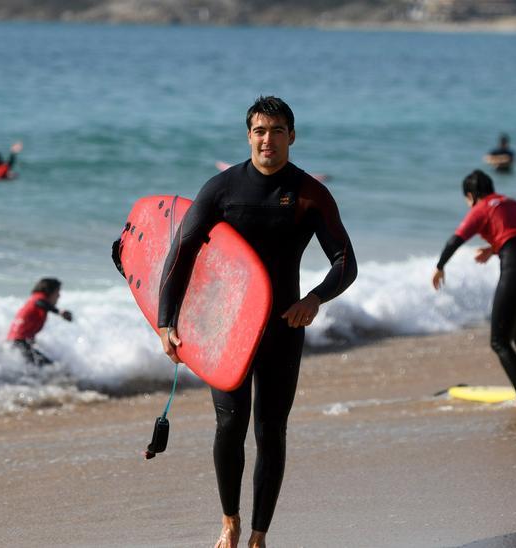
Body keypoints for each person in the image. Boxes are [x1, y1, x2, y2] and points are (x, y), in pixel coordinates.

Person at [158, 96, 357, 548]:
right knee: (230, 425)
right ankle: (229, 523)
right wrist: (165, 320)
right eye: (260, 131)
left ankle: (258, 535)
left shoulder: (309, 193)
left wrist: (315, 298)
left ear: (292, 135)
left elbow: (345, 261)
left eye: (277, 130)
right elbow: (181, 253)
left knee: (271, 430)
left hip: (283, 327)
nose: (268, 139)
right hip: (227, 329)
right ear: (248, 136)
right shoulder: (221, 189)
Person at [431, 169, 516, 410]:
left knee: (499, 341)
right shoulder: (512, 203)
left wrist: (440, 266)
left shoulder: (481, 208)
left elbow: (456, 239)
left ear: (471, 195)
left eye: (467, 200)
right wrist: (493, 248)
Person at [6, 278, 73, 367]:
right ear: (50, 291)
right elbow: (41, 303)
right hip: (19, 343)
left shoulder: (34, 299)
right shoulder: (38, 299)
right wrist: (59, 312)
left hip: (17, 343)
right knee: (50, 368)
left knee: (40, 367)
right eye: (57, 292)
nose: (59, 296)